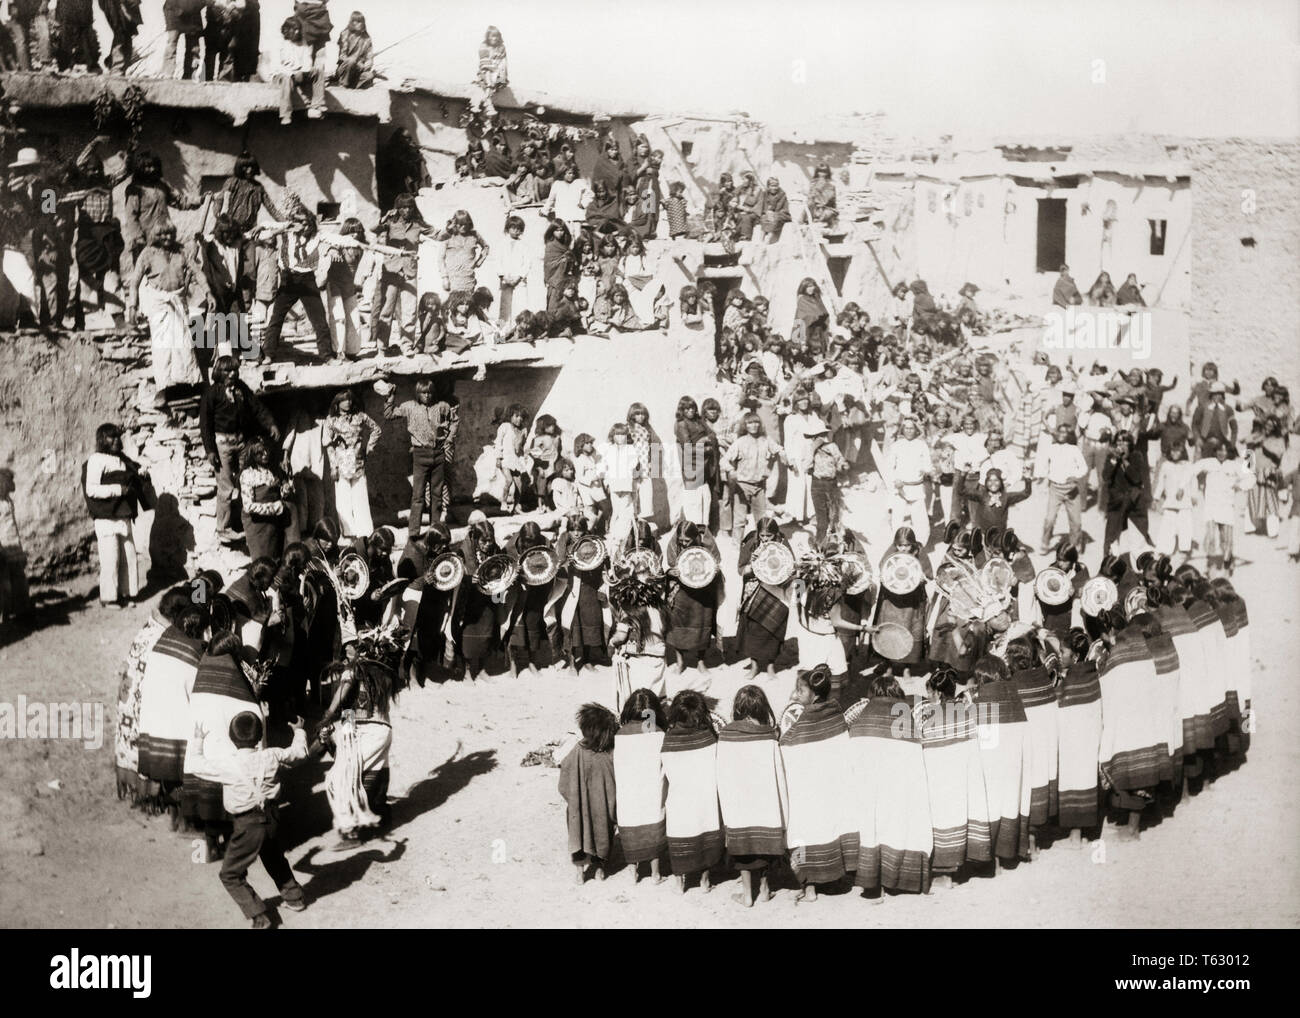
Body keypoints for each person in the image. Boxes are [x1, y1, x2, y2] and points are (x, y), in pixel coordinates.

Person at [187, 710, 309, 928]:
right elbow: (299, 754)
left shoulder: (227, 764)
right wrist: (299, 732)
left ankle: (259, 916)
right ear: (260, 736)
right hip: (272, 818)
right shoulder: (272, 755)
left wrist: (198, 738)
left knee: (230, 874)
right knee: (273, 856)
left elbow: (196, 765)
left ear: (232, 739)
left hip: (247, 824)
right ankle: (294, 897)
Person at [849, 674, 934, 897]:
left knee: (871, 829)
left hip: (868, 785)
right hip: (897, 785)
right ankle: (893, 879)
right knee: (895, 828)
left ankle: (871, 882)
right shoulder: (905, 716)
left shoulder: (863, 715)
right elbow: (916, 755)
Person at [780, 666, 858, 903]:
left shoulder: (801, 725)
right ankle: (837, 876)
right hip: (832, 787)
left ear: (813, 694)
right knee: (834, 827)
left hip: (809, 792)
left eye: (800, 689)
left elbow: (787, 749)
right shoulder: (836, 714)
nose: (795, 694)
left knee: (804, 833)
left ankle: (810, 887)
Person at [716, 685, 787, 907]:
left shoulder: (726, 736)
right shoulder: (770, 737)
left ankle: (747, 895)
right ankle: (765, 889)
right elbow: (779, 775)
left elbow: (722, 774)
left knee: (744, 852)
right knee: (765, 849)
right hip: (765, 804)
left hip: (739, 803)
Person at [200, 356, 280, 544]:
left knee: (247, 479)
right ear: (219, 373)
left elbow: (257, 408)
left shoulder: (241, 389)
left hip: (241, 442)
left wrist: (271, 424)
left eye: (235, 370)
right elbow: (205, 425)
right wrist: (210, 450)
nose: (233, 374)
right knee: (226, 486)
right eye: (228, 371)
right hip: (223, 445)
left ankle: (253, 520)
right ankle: (224, 528)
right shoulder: (212, 394)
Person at [127, 223, 202, 401]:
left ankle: (188, 383)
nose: (168, 238)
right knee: (162, 347)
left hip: (178, 302)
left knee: (184, 344)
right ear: (156, 236)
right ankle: (163, 388)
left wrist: (209, 293)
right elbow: (134, 282)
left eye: (170, 234)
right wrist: (132, 306)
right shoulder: (147, 254)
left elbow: (198, 273)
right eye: (163, 235)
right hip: (159, 305)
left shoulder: (181, 251)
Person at [377, 376, 458, 538]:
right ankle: (414, 532)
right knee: (418, 496)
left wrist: (449, 439)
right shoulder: (410, 407)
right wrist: (390, 397)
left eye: (429, 392)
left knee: (437, 496)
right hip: (420, 455)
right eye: (423, 392)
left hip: (438, 454)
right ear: (417, 393)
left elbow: (454, 421)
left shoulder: (442, 406)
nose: (427, 396)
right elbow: (389, 414)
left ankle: (436, 531)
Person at [660, 689, 722, 893]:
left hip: (680, 801)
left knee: (679, 839)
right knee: (705, 838)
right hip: (705, 799)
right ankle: (705, 881)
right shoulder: (709, 738)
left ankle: (680, 884)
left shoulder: (668, 741)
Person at [82, 423, 145, 608]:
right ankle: (109, 597)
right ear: (102, 440)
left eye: (118, 436)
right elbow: (91, 489)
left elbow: (134, 470)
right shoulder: (96, 460)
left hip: (123, 514)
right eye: (112, 437)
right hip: (106, 517)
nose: (117, 440)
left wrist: (141, 472)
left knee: (129, 556)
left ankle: (126, 593)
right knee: (111, 558)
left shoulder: (121, 459)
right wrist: (118, 489)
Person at [557, 703, 618, 885]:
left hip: (578, 809)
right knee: (602, 836)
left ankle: (580, 873)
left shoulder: (576, 751)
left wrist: (575, 800)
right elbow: (614, 783)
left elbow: (563, 783)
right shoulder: (608, 755)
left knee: (579, 837)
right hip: (602, 808)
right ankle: (599, 870)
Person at [260, 211, 332, 364]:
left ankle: (327, 356)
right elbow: (266, 227)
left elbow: (337, 239)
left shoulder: (317, 236)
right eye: (301, 223)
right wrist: (284, 227)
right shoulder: (288, 232)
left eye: (307, 224)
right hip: (288, 280)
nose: (304, 227)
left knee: (319, 319)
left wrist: (336, 247)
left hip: (307, 280)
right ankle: (268, 354)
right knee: (277, 317)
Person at [612, 690, 668, 883]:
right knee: (653, 823)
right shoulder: (657, 732)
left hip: (629, 790)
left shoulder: (620, 734)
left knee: (630, 823)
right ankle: (655, 873)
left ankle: (633, 871)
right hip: (651, 789)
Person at [321, 387, 381, 538]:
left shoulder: (360, 416)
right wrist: (333, 466)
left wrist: (369, 447)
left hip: (358, 464)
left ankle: (365, 533)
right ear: (337, 403)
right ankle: (348, 534)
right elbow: (327, 443)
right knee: (343, 502)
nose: (347, 403)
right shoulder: (331, 420)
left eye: (349, 399)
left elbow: (377, 429)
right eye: (343, 400)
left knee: (361, 499)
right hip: (341, 465)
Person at [722, 413, 783, 539]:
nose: (753, 425)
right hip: (742, 487)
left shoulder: (765, 440)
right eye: (749, 423)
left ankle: (761, 547)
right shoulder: (740, 442)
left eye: (756, 422)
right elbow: (724, 461)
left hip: (759, 487)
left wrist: (781, 460)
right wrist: (731, 471)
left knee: (762, 522)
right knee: (739, 521)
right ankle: (736, 549)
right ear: (745, 425)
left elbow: (778, 450)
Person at [1034, 422, 1088, 553]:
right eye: (1060, 431)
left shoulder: (1074, 449)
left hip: (1071, 490)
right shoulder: (1051, 448)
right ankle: (1045, 542)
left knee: (1076, 521)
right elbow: (1042, 465)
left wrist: (1075, 476)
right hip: (1055, 489)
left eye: (1065, 432)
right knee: (1050, 518)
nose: (1062, 434)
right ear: (1056, 433)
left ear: (1069, 435)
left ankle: (1075, 545)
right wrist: (1041, 475)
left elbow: (1084, 468)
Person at [239, 437, 292, 561]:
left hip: (273, 524)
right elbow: (248, 506)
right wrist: (275, 508)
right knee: (262, 560)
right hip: (257, 524)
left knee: (276, 558)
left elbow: (278, 494)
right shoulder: (248, 475)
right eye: (260, 453)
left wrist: (285, 489)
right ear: (252, 455)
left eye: (266, 450)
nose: (265, 454)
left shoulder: (273, 471)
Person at [274, 15, 325, 123]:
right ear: (287, 30)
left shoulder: (303, 43)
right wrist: (292, 73)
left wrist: (302, 71)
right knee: (286, 79)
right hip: (283, 75)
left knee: (318, 70)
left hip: (300, 74)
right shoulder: (279, 43)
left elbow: (308, 61)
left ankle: (315, 107)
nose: (297, 32)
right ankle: (286, 114)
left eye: (298, 29)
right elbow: (276, 66)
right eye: (294, 29)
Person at [331, 10, 373, 87]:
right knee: (351, 61)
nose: (359, 24)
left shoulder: (367, 38)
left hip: (357, 70)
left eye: (360, 21)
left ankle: (351, 85)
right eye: (356, 21)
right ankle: (343, 83)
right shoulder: (345, 34)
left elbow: (369, 58)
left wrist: (365, 66)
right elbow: (342, 56)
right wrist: (356, 62)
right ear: (352, 22)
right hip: (344, 68)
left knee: (369, 76)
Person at [757, 177, 790, 243]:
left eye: (776, 186)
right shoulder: (765, 194)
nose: (774, 188)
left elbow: (785, 209)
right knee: (764, 218)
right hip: (768, 214)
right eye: (772, 186)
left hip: (781, 214)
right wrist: (767, 212)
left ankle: (768, 240)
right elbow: (762, 206)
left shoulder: (782, 194)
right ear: (768, 186)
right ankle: (761, 241)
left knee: (775, 219)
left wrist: (774, 213)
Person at [806, 163, 838, 229]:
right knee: (806, 212)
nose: (822, 174)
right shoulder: (813, 184)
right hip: (815, 207)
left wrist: (818, 189)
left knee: (826, 215)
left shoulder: (831, 185)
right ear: (817, 172)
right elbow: (809, 197)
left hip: (828, 208)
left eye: (824, 172)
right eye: (820, 172)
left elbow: (826, 201)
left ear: (827, 173)